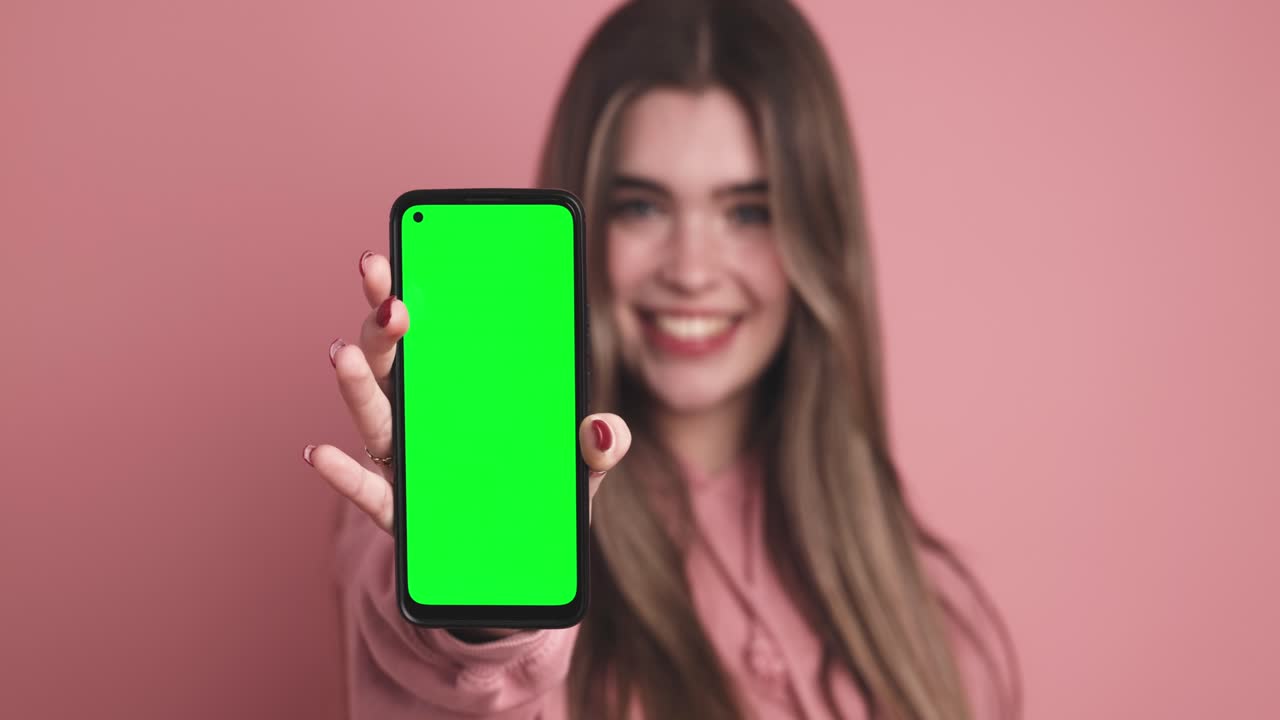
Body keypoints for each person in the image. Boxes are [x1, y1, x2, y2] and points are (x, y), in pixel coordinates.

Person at [303, 0, 1020, 717]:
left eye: (748, 211)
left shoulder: (922, 607)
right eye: (643, 207)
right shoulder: (433, 522)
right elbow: (453, 679)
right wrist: (482, 617)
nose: (691, 269)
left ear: (819, 238)